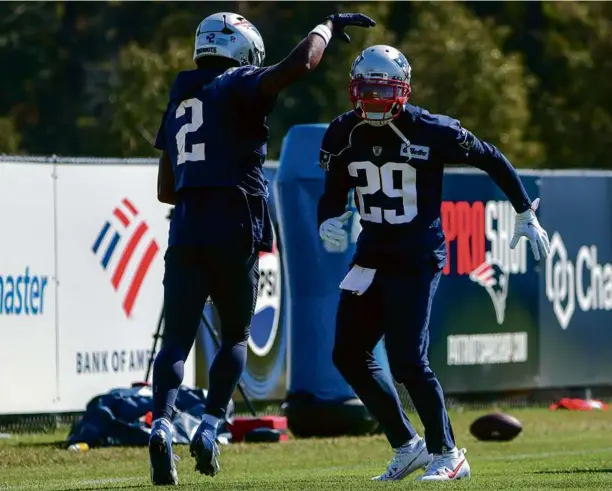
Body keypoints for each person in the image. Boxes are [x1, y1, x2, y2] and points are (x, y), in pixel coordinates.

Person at [149, 10, 376, 486]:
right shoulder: (237, 83)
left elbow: (165, 189)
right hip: (234, 223)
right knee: (234, 335)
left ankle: (164, 424)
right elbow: (300, 66)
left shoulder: (180, 95)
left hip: (186, 226)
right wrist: (328, 27)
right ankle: (211, 427)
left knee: (176, 339)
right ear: (239, 48)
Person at [317, 45, 550, 482]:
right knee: (348, 354)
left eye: (381, 90)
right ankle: (407, 446)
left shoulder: (430, 129)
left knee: (407, 359)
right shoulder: (342, 133)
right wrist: (326, 219)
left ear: (402, 90)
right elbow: (332, 192)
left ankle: (448, 453)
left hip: (416, 257)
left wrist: (524, 210)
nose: (372, 100)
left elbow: (490, 157)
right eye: (365, 89)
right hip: (370, 257)